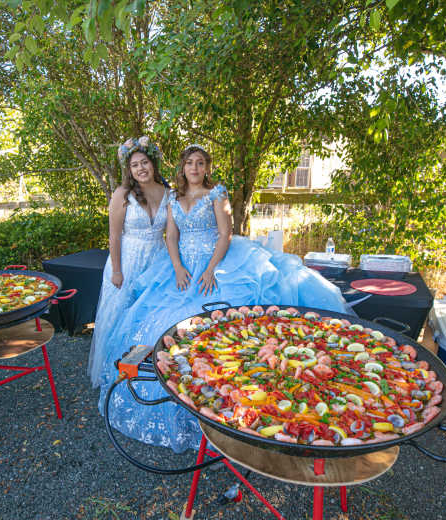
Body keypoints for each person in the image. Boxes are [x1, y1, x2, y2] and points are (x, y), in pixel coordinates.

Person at [100, 144, 349, 453]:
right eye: (189, 162)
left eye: (200, 163)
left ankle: (234, 402)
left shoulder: (217, 194)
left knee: (220, 330)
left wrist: (210, 269)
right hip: (179, 269)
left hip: (218, 265)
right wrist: (177, 267)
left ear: (206, 168)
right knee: (158, 325)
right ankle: (176, 399)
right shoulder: (173, 198)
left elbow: (225, 234)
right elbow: (172, 237)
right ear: (182, 168)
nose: (194, 167)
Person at [87, 136, 170, 388]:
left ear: (153, 164)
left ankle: (143, 370)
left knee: (147, 315)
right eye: (135, 165)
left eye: (144, 162)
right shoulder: (123, 194)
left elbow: (173, 232)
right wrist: (117, 270)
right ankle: (112, 372)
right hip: (127, 260)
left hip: (157, 259)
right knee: (119, 315)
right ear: (129, 170)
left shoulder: (168, 192)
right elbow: (114, 234)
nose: (141, 168)